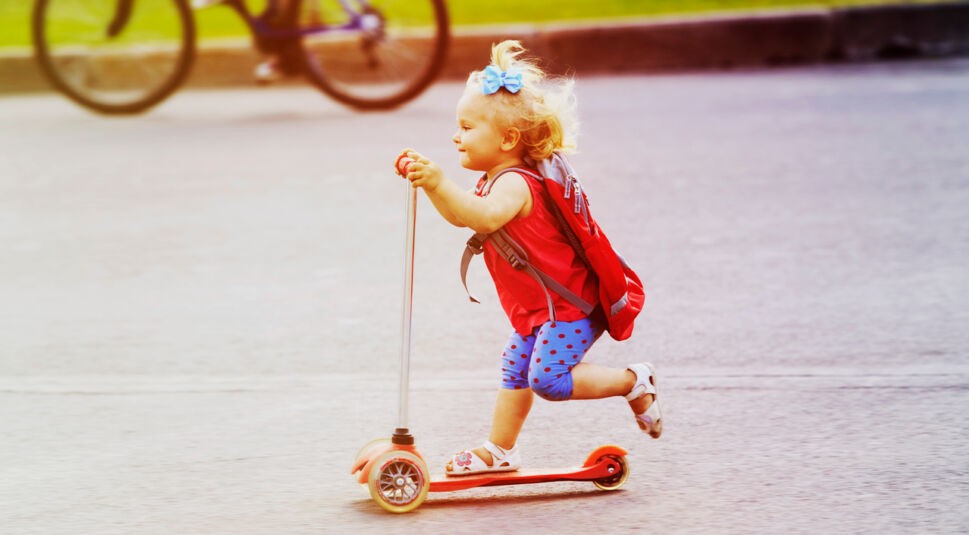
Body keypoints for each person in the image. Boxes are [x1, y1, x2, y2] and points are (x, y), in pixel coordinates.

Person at [395, 40, 662, 476]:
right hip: (541, 309)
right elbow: (466, 219)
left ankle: (634, 381)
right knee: (515, 370)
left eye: (466, 127)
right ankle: (500, 451)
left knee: (547, 380)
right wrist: (431, 184)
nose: (455, 135)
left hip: (571, 307)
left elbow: (479, 215)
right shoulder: (494, 179)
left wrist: (439, 181)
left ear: (506, 138)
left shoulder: (515, 186)